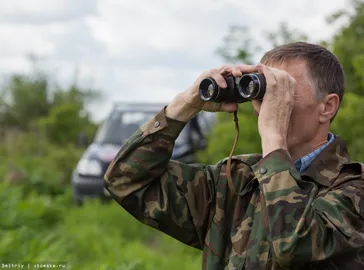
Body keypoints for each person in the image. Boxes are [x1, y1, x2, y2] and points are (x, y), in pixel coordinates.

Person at [103, 42, 364, 269]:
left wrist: (273, 139)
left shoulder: (353, 189)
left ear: (327, 107)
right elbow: (125, 181)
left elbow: (293, 247)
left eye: (284, 92)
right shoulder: (235, 180)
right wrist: (185, 104)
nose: (270, 104)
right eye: (266, 92)